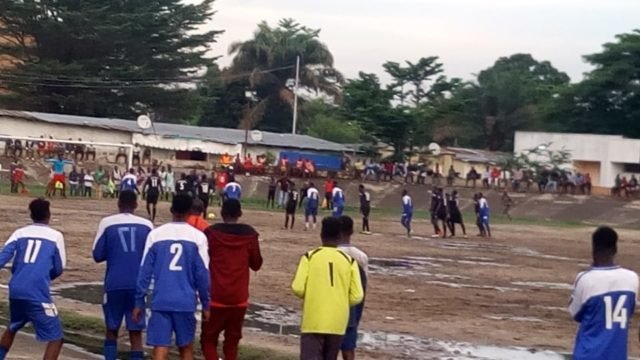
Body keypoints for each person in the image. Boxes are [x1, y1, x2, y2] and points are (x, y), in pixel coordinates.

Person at [133, 195, 211, 360]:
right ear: (190, 211)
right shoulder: (198, 238)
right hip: (186, 302)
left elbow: (144, 273)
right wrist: (206, 303)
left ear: (171, 210)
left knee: (160, 349)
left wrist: (139, 301)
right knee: (186, 348)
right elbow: (202, 275)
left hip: (161, 300)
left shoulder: (155, 235)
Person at [0, 199, 66, 360]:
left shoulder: (19, 233)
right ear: (48, 215)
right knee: (56, 337)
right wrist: (43, 276)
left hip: (16, 289)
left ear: (31, 215)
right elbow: (59, 267)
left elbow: (2, 258)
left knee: (13, 326)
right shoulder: (55, 236)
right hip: (37, 291)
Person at [291, 217, 364, 360]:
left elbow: (298, 288)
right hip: (337, 323)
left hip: (313, 320)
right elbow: (357, 295)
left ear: (321, 235)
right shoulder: (349, 261)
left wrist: (314, 294)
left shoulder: (309, 257)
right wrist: (340, 300)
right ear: (339, 236)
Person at [92, 191, 153, 360]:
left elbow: (97, 255)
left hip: (114, 282)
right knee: (136, 333)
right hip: (138, 285)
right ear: (136, 205)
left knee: (111, 330)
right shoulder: (147, 225)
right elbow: (151, 256)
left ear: (118, 204)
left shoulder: (107, 223)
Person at [202, 199, 263, 360]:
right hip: (239, 297)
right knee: (232, 342)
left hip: (216, 295)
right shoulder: (249, 234)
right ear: (240, 214)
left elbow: (203, 260)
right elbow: (256, 264)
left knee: (208, 339)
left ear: (222, 213)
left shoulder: (211, 233)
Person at [569, 226, 639, 360]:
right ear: (615, 249)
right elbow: (629, 311)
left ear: (594, 249)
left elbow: (575, 313)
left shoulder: (585, 278)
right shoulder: (632, 279)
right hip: (617, 355)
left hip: (587, 354)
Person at [337, 217, 368, 360]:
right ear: (352, 232)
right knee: (348, 349)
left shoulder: (332, 252)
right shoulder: (361, 256)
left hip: (334, 305)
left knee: (329, 349)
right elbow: (362, 287)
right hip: (352, 307)